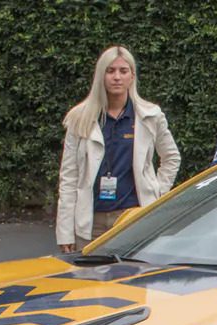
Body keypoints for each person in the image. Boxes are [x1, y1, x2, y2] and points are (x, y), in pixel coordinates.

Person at [56, 45, 180, 253]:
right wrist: (65, 231)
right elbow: (68, 177)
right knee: (89, 282)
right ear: (101, 76)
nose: (117, 77)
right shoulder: (80, 118)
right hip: (90, 221)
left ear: (132, 76)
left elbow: (171, 157)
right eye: (110, 71)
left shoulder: (150, 116)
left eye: (123, 71)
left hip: (132, 218)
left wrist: (157, 192)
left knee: (131, 280)